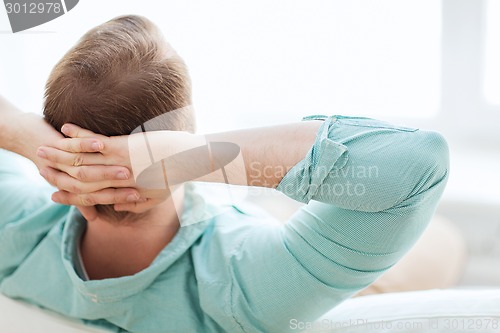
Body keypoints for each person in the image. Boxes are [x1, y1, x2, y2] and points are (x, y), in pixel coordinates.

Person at [0, 15, 450, 333]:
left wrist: (28, 137)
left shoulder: (13, 229)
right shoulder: (245, 286)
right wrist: (191, 158)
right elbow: (418, 166)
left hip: (235, 220)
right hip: (262, 247)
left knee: (273, 209)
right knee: (445, 238)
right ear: (183, 135)